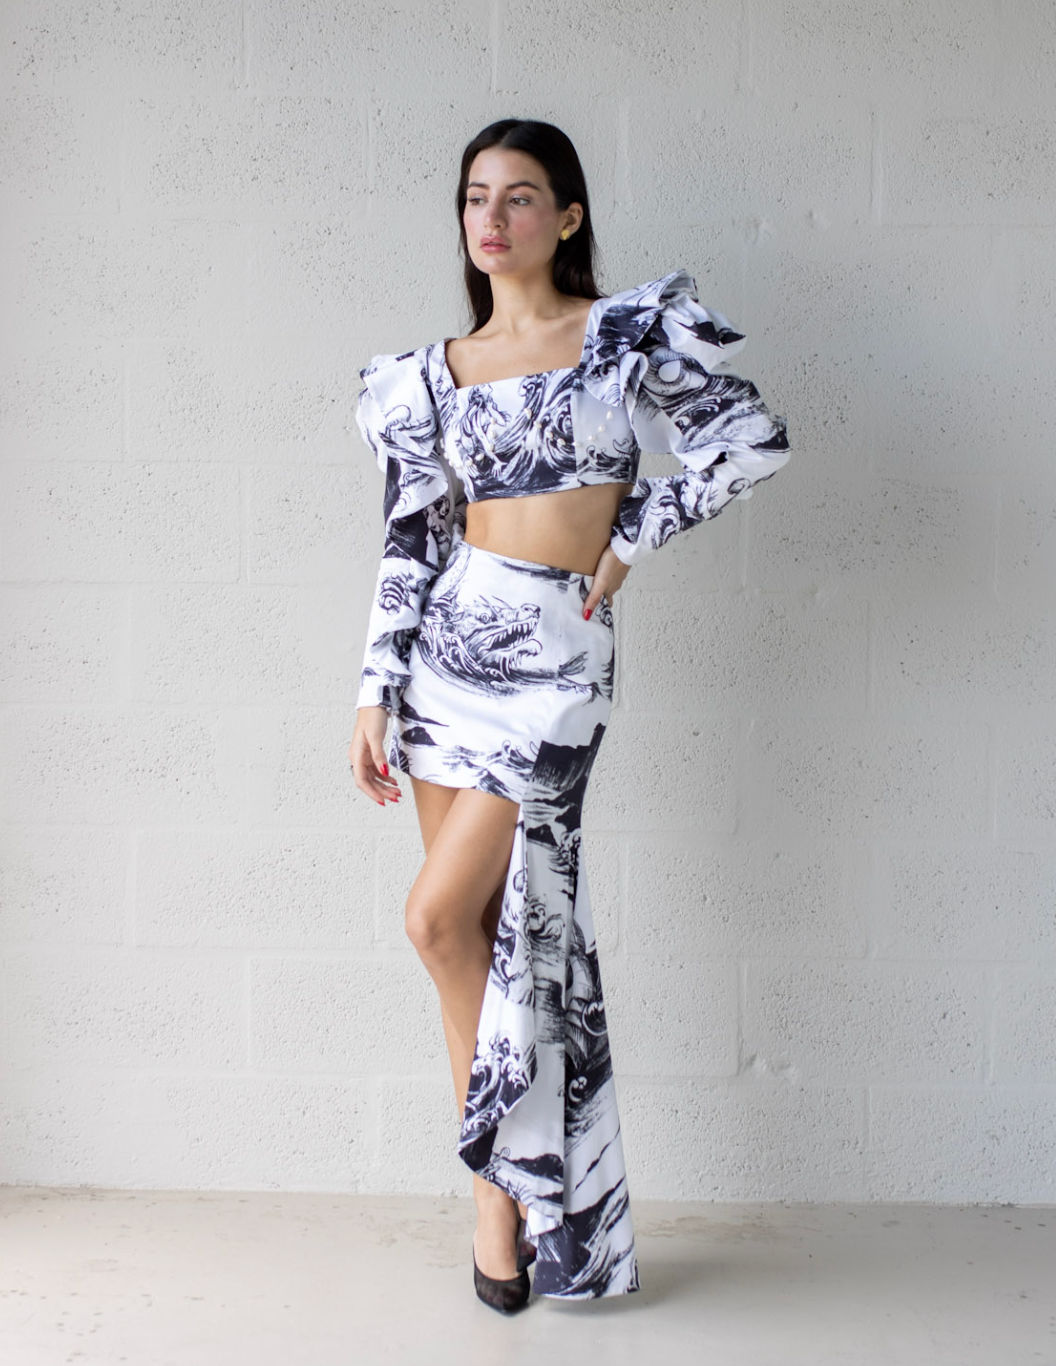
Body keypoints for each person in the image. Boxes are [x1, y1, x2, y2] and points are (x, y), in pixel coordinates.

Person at [348, 118, 791, 1313]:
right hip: (446, 657)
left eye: (521, 196)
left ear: (568, 216)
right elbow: (410, 539)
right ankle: (498, 1198)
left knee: (435, 916)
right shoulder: (426, 375)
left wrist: (633, 537)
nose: (492, 219)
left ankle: (504, 1193)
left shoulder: (623, 337)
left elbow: (751, 440)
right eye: (475, 197)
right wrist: (374, 688)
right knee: (462, 934)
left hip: (555, 662)